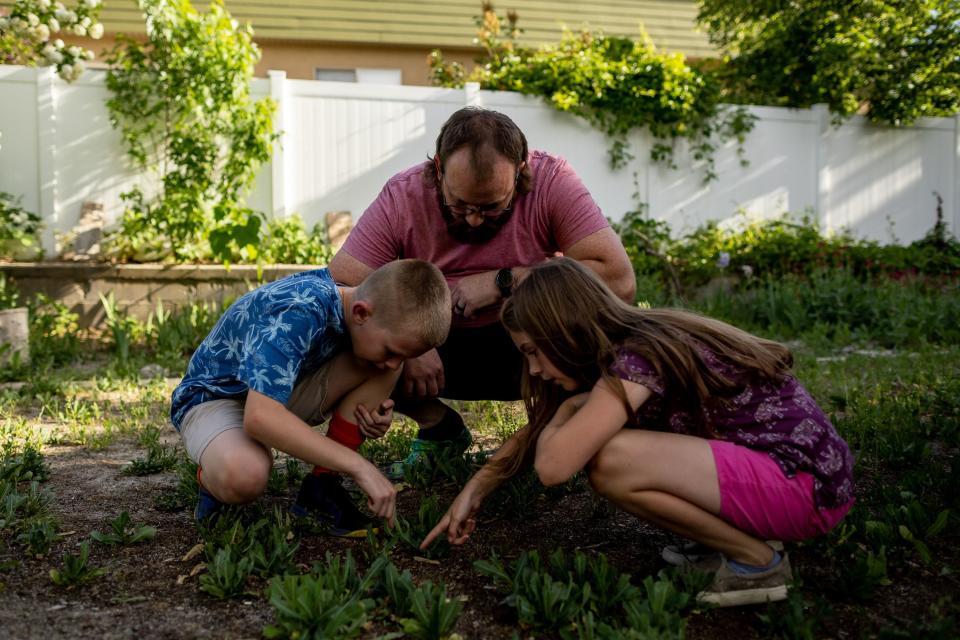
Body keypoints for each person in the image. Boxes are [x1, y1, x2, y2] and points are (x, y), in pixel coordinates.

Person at [422, 258, 855, 607]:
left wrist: (570, 408)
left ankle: (758, 562)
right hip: (799, 479)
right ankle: (727, 543)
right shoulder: (631, 341)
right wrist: (477, 487)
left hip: (804, 490)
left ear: (565, 330)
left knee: (609, 461)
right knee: (605, 447)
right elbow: (537, 431)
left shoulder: (636, 360)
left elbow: (554, 466)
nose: (534, 369)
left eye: (535, 352)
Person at [329, 107, 635, 474]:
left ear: (521, 172)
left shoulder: (553, 180)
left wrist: (503, 281)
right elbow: (339, 288)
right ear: (439, 169)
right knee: (346, 327)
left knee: (603, 325)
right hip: (436, 353)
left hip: (528, 348)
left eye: (491, 207)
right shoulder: (403, 195)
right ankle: (437, 427)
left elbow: (618, 281)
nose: (473, 219)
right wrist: (411, 346)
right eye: (459, 204)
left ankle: (552, 433)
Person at [170, 259, 450, 536]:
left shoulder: (355, 312)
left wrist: (365, 419)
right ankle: (211, 482)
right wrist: (359, 467)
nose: (393, 363)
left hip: (275, 395)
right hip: (215, 399)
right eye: (391, 350)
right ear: (362, 313)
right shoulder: (301, 308)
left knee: (383, 367)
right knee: (246, 475)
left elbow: (276, 399)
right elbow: (259, 418)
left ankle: (321, 488)